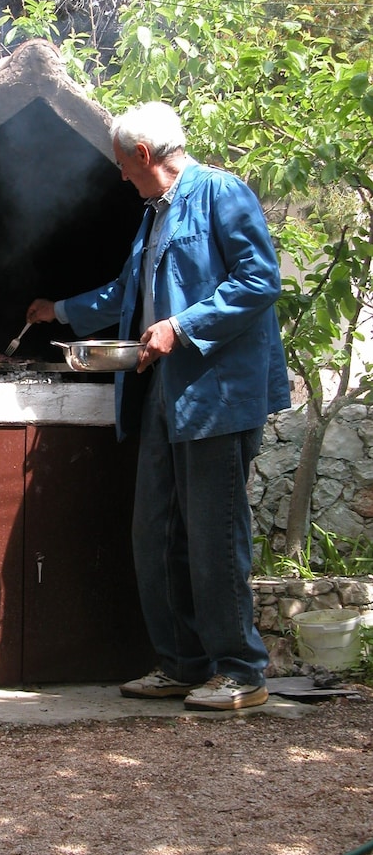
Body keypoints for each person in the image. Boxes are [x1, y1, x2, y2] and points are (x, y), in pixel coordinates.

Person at [27, 102, 290, 712]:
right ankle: (181, 663)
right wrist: (59, 310)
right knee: (155, 531)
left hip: (217, 396)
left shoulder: (222, 194)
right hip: (166, 396)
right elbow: (128, 293)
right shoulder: (153, 216)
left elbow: (259, 280)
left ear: (142, 156)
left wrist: (181, 325)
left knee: (213, 535)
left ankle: (241, 671)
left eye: (122, 164)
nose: (119, 176)